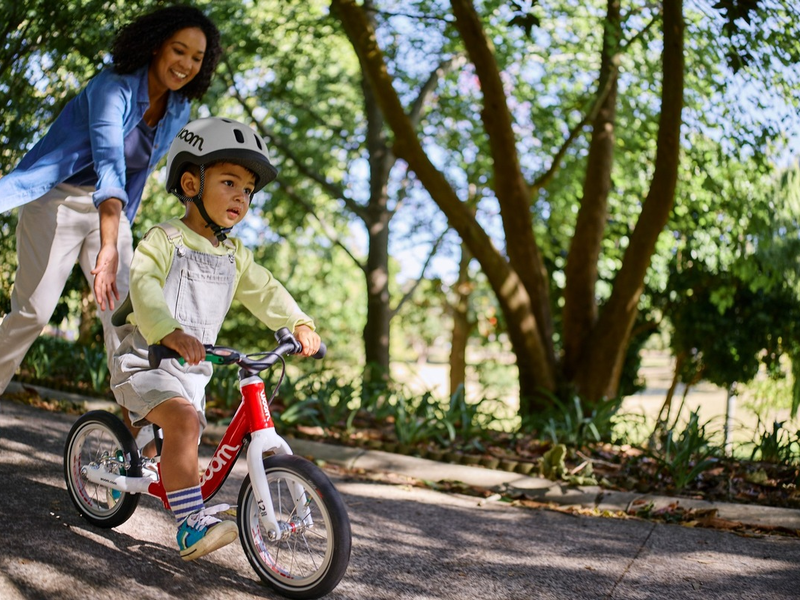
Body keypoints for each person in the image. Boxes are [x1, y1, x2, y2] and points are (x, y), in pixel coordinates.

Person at [109, 117, 321, 561]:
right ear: (191, 182)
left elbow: (265, 289)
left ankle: (134, 448)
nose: (241, 196)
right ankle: (189, 527)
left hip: (191, 371)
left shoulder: (233, 255)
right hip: (144, 359)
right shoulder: (163, 238)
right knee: (184, 424)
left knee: (170, 439)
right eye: (229, 182)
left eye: (247, 189)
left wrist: (298, 323)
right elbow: (144, 285)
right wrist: (168, 330)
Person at [0, 6, 222, 399]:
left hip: (112, 215)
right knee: (32, 314)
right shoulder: (112, 87)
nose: (186, 64)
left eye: (196, 58)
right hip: (59, 203)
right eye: (179, 50)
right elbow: (110, 167)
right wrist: (108, 246)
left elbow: (138, 175)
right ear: (156, 47)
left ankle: (139, 427)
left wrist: (119, 236)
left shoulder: (178, 108)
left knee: (124, 319)